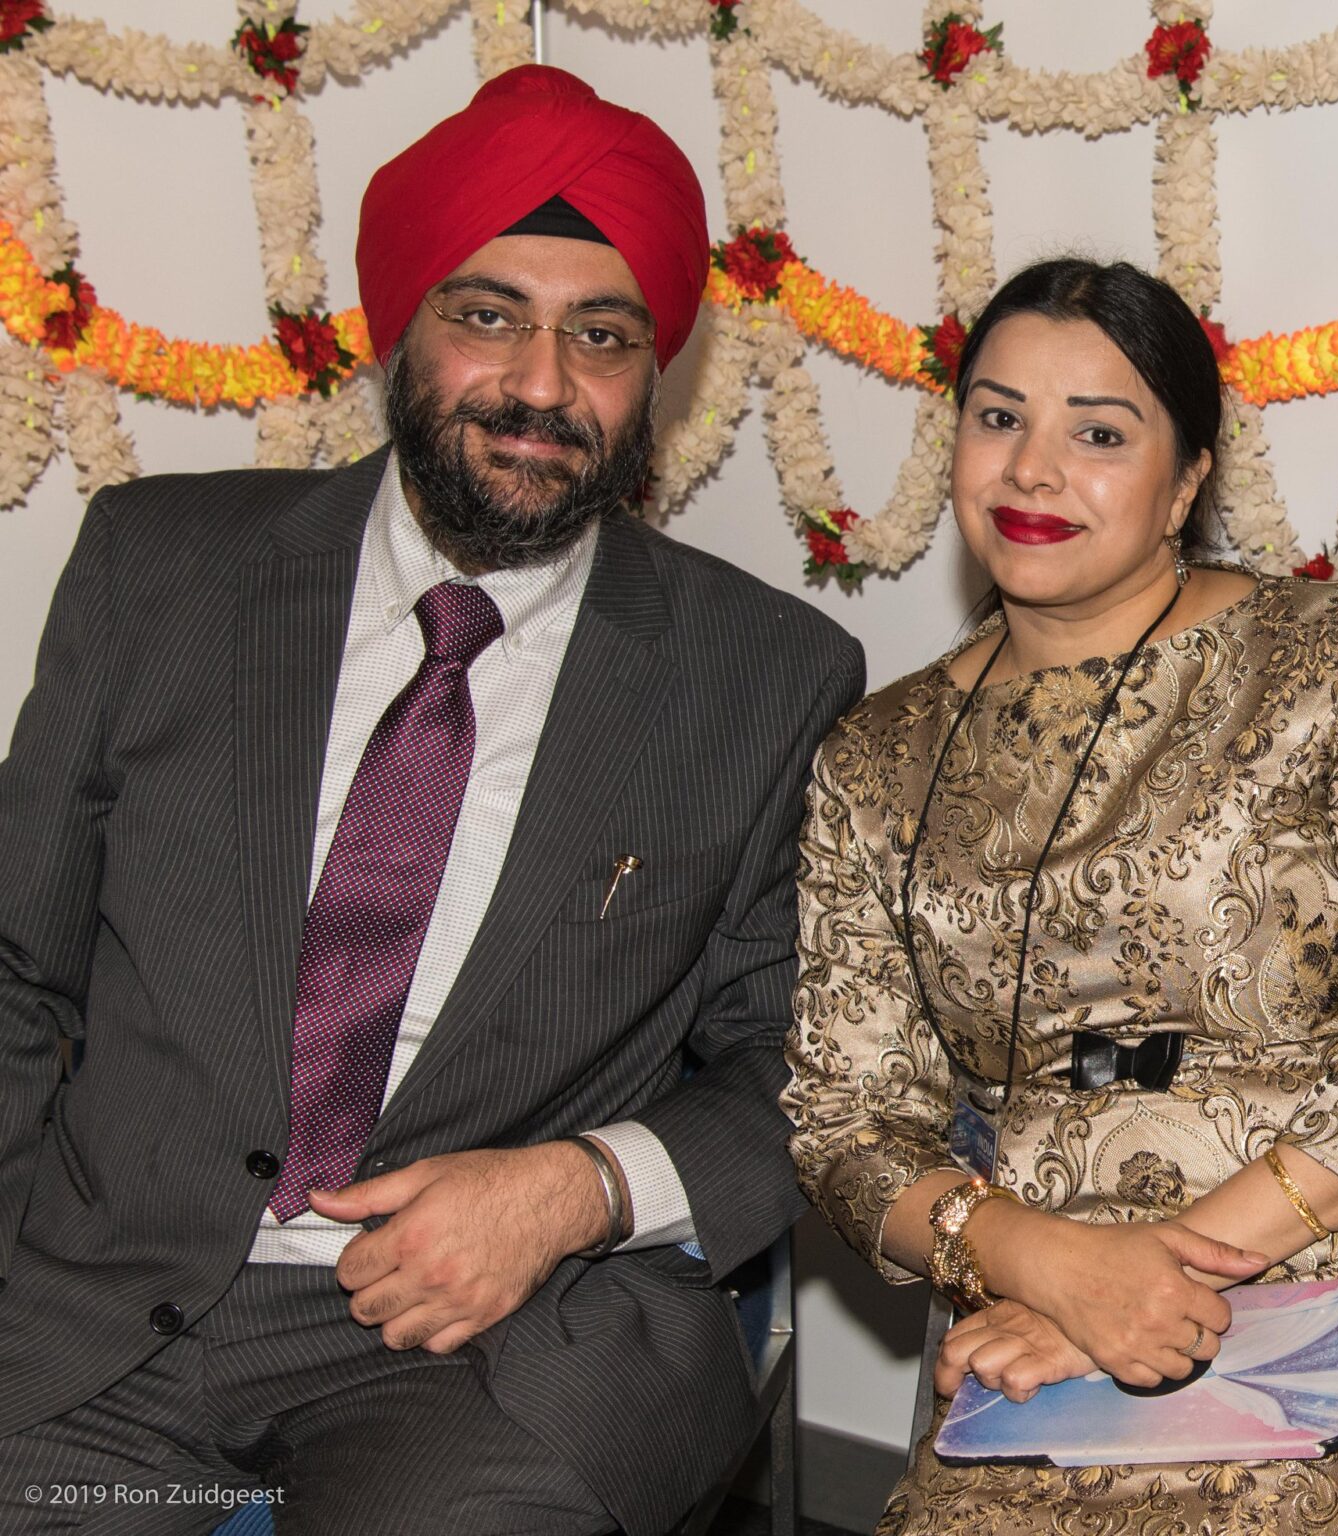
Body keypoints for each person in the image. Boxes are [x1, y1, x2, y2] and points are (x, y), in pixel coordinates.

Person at [0, 65, 863, 1536]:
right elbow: (14, 966)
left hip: (489, 1348)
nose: (543, 385)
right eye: (489, 317)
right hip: (101, 1317)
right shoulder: (158, 573)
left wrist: (572, 1192)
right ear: (400, 330)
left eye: (603, 336)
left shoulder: (762, 676)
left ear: (654, 371)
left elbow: (809, 1067)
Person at [783, 256, 1338, 1534]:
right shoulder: (875, 761)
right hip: (1041, 1287)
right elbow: (843, 1121)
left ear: (1187, 478)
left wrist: (1149, 1278)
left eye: (1099, 434)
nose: (1032, 469)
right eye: (999, 417)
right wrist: (1048, 1264)